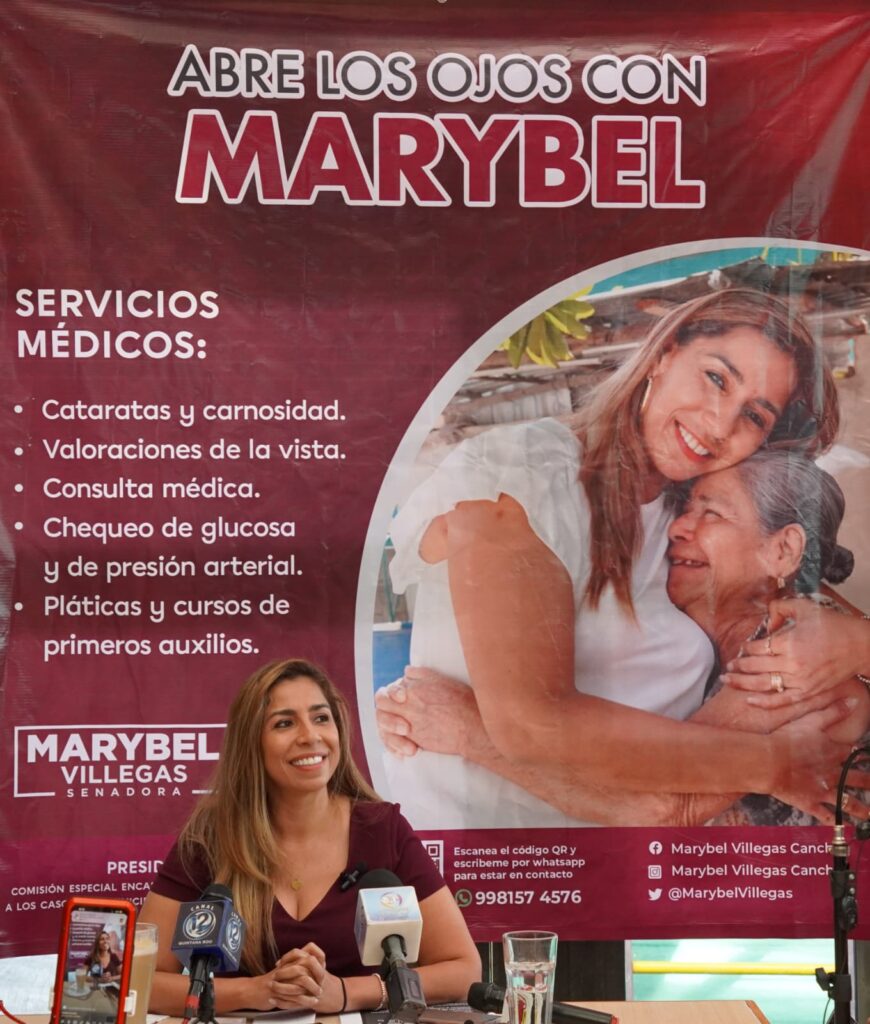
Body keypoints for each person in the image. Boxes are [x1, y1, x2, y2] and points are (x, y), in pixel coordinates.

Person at [374, 287, 861, 829]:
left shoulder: (685, 515)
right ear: (664, 353)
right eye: (716, 378)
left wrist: (859, 643)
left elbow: (795, 592)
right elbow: (531, 725)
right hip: (484, 855)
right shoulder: (518, 474)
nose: (720, 424)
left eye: (753, 416)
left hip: (618, 860)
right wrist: (772, 764)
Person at [378, 450, 870, 826]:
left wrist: (466, 729)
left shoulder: (793, 655)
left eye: (712, 514)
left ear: (782, 551)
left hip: (795, 915)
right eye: (685, 509)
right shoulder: (716, 630)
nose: (678, 528)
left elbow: (658, 809)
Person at [140, 658, 480, 1015]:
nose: (310, 736)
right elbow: (138, 980)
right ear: (251, 742)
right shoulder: (209, 838)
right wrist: (255, 992)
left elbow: (463, 969)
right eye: (284, 723)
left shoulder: (383, 829)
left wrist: (346, 993)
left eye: (321, 718)